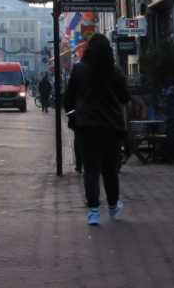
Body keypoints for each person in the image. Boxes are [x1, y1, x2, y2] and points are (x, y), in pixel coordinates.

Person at [64, 34, 130, 227]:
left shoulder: (79, 70)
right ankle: (112, 206)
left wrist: (73, 115)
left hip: (87, 128)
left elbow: (67, 99)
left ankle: (93, 212)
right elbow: (125, 97)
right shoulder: (115, 70)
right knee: (110, 170)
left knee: (91, 170)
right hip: (111, 128)